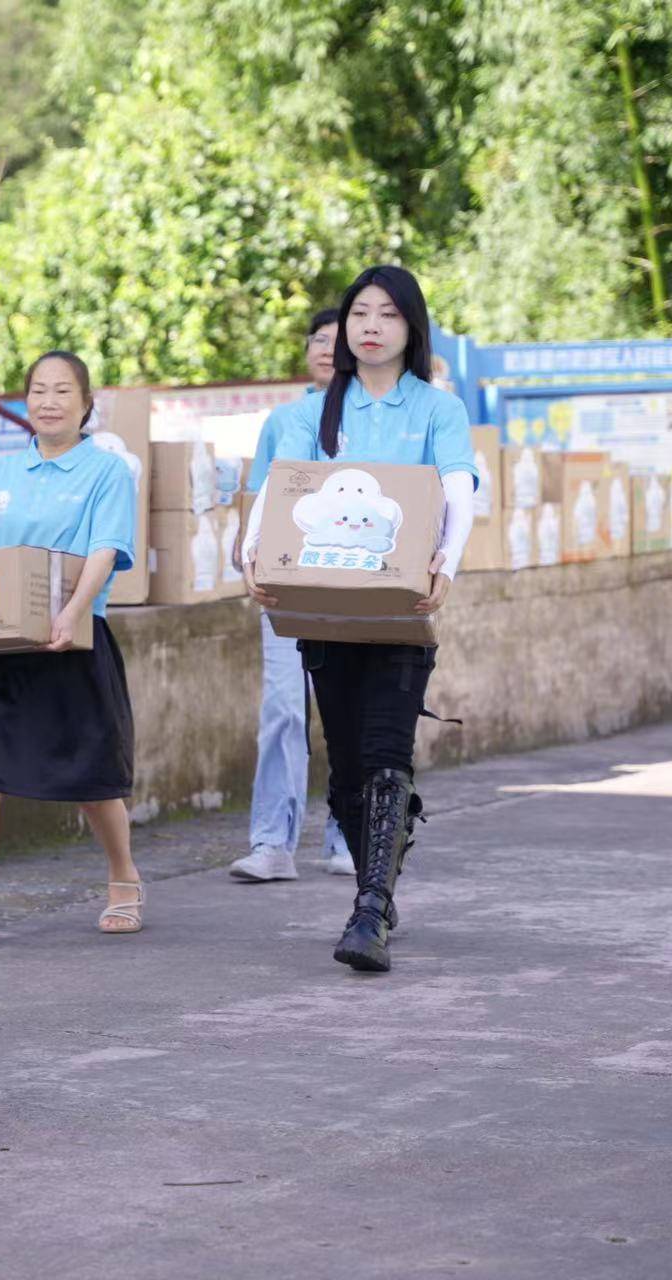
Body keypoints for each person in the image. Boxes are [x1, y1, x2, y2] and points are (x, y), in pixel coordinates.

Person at [242, 264, 479, 974]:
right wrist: (254, 553)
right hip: (324, 610)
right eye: (360, 314)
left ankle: (370, 905)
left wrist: (448, 563)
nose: (371, 326)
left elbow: (458, 488)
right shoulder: (310, 414)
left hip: (402, 609)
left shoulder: (436, 410)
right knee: (345, 765)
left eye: (387, 315)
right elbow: (279, 492)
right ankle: (381, 877)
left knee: (385, 751)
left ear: (411, 327)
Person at [0, 351, 144, 952]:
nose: (48, 401)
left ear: (85, 403)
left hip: (73, 640)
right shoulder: (0, 474)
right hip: (4, 647)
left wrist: (73, 612)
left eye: (62, 391)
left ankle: (124, 879)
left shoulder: (105, 472)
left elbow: (105, 550)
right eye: (38, 390)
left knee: (95, 779)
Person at [227, 308, 355, 882]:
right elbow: (256, 492)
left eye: (338, 339)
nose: (327, 348)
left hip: (358, 590)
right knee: (283, 708)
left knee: (350, 712)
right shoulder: (284, 419)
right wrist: (245, 547)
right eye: (318, 340)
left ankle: (348, 836)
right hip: (287, 588)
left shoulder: (377, 418)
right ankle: (273, 842)